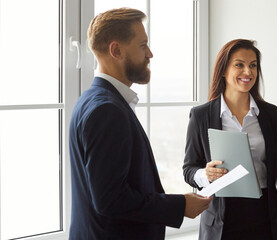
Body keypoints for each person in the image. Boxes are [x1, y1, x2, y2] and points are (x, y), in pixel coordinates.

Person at [68, 8, 211, 239]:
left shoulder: (91, 100)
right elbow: (110, 200)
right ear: (116, 50)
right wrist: (180, 206)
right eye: (143, 45)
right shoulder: (107, 110)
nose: (150, 54)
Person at [183, 39, 277, 240]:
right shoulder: (201, 116)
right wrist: (206, 174)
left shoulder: (270, 114)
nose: (248, 72)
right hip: (221, 221)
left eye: (253, 65)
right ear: (223, 70)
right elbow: (189, 169)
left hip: (265, 216)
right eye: (239, 65)